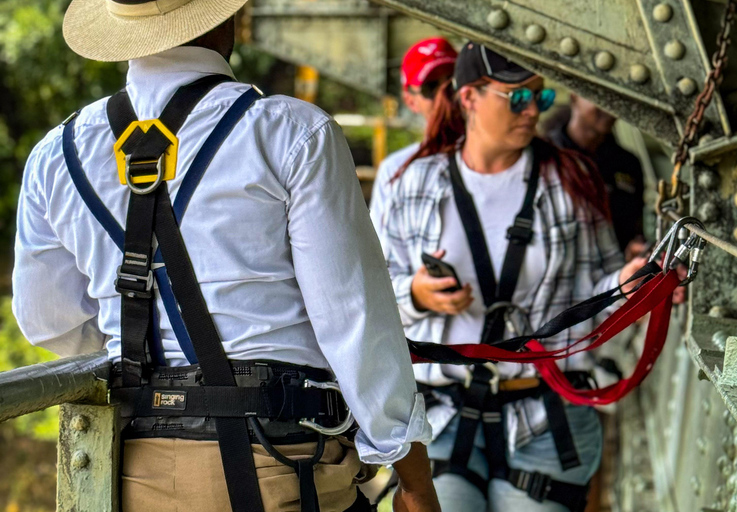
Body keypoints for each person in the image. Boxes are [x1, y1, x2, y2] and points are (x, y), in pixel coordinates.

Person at [11, 1, 439, 511]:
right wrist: (412, 475)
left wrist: (147, 358)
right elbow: (353, 320)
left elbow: (47, 322)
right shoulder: (291, 132)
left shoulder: (56, 156)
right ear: (224, 15)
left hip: (128, 471)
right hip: (278, 462)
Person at [381, 42, 647, 512]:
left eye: (541, 99)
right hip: (442, 419)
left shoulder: (570, 180)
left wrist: (626, 284)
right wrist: (417, 294)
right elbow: (373, 296)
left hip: (544, 420)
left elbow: (596, 291)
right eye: (517, 98)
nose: (532, 112)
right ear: (469, 99)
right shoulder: (412, 183)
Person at [369, 37, 457, 239]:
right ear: (410, 101)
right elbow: (383, 255)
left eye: (453, 82)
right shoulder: (396, 171)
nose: (446, 95)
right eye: (432, 87)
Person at [546, 95, 646, 259]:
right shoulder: (545, 156)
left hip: (615, 273)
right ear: (574, 97)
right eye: (599, 98)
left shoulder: (628, 164)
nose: (609, 108)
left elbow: (635, 226)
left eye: (615, 100)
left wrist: (634, 249)